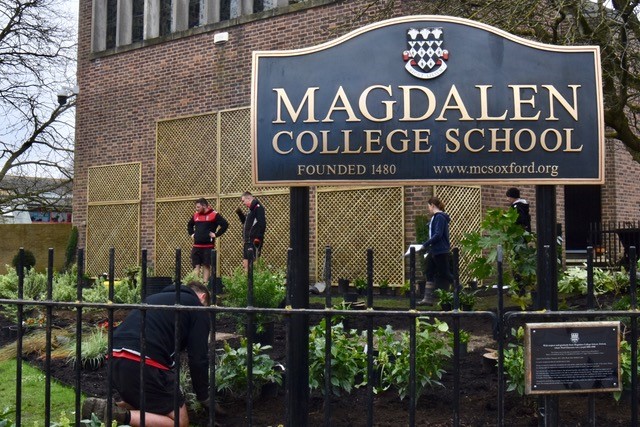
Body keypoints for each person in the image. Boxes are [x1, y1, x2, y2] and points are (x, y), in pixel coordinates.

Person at [81, 281, 214, 426]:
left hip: (115, 355)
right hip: (144, 358)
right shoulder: (197, 308)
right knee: (180, 422)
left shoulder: (154, 298)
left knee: (146, 402)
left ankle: (99, 409)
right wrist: (204, 397)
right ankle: (116, 415)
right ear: (202, 297)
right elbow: (198, 358)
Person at [419, 197, 453, 305]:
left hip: (441, 250)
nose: (428, 209)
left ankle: (461, 292)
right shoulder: (436, 218)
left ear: (432, 205)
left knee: (445, 274)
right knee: (429, 271)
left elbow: (438, 234)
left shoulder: (440, 217)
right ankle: (427, 299)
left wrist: (425, 244)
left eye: (428, 206)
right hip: (434, 250)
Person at [188, 198, 228, 283]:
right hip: (196, 246)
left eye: (198, 207)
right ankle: (196, 286)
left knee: (206, 266)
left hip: (208, 246)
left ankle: (205, 285)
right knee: (196, 266)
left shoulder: (214, 215)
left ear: (204, 206)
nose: (197, 209)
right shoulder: (196, 215)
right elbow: (189, 225)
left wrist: (216, 234)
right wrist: (192, 234)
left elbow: (225, 225)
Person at [235, 191, 266, 271]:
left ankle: (254, 282)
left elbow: (262, 224)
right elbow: (245, 223)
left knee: (253, 264)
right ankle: (246, 283)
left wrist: (258, 238)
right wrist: (240, 213)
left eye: (243, 201)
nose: (243, 203)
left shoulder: (258, 208)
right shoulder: (251, 210)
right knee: (245, 265)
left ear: (248, 198)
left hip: (254, 241)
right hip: (247, 241)